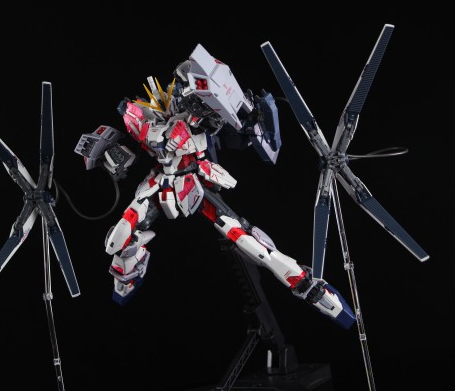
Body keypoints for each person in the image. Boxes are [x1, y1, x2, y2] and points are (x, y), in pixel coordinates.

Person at [74, 43, 355, 329]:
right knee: (119, 238)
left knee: (246, 241)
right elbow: (126, 144)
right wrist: (108, 154)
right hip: (159, 181)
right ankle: (127, 277)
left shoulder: (204, 116)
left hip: (193, 180)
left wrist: (253, 114)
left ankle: (309, 286)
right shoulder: (145, 116)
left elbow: (246, 130)